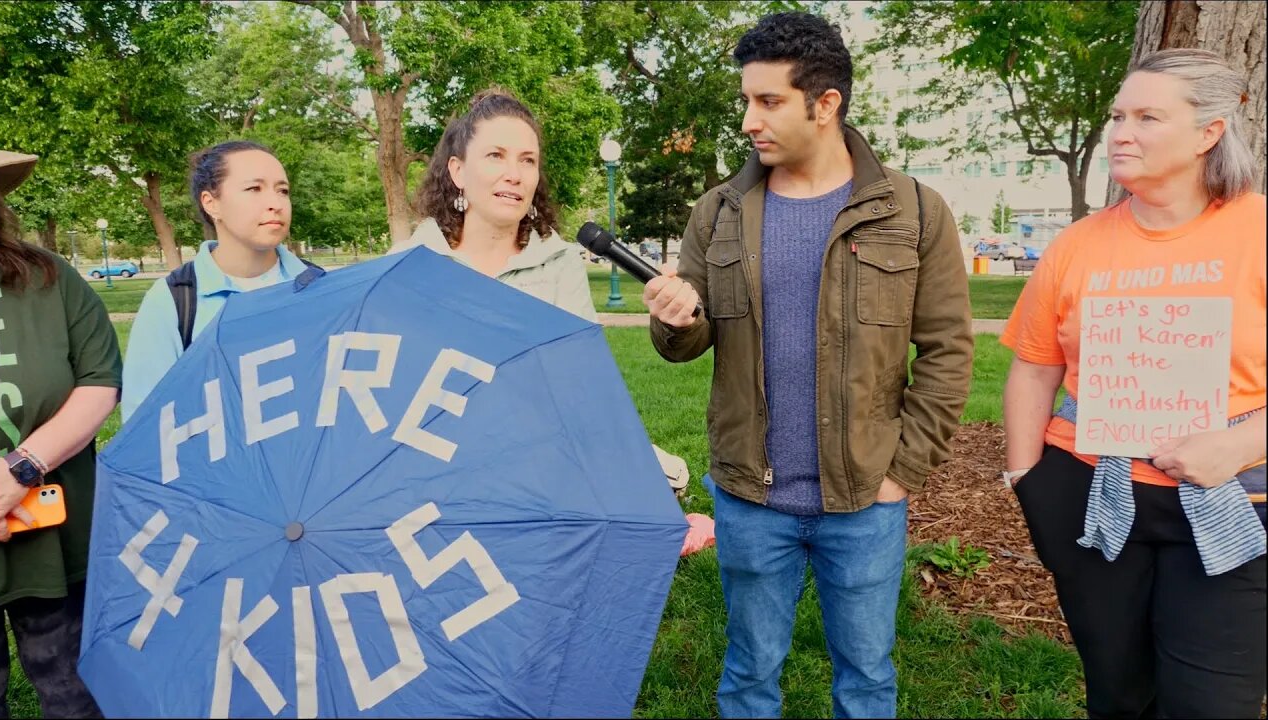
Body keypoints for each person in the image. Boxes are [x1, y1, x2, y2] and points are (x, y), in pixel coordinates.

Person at [643, 13, 973, 718]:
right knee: (750, 673)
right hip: (748, 498)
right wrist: (674, 318)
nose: (747, 120)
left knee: (866, 678)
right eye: (745, 99)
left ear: (826, 105)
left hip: (864, 502)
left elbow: (947, 351)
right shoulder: (718, 213)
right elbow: (688, 343)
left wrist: (900, 474)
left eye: (767, 101)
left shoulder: (913, 211)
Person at [1001, 48, 1266, 719]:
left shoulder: (1257, 229)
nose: (1121, 132)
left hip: (1235, 503)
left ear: (1209, 132)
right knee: (1117, 697)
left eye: (1148, 117)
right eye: (1119, 114)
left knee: (1209, 705)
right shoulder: (1079, 244)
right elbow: (1035, 365)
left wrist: (1239, 447)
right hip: (1094, 499)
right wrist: (1028, 479)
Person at [0, 148, 121, 718]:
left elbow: (99, 379)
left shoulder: (49, 277)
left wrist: (20, 469)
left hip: (53, 527)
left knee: (75, 694)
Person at [121, 141, 310, 421]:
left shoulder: (320, 285)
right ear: (211, 203)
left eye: (282, 190)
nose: (276, 204)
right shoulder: (174, 301)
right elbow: (145, 425)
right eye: (254, 189)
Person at [388, 88, 597, 322]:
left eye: (528, 160)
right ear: (458, 171)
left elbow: (579, 356)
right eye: (496, 156)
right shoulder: (405, 264)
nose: (514, 175)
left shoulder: (561, 265)